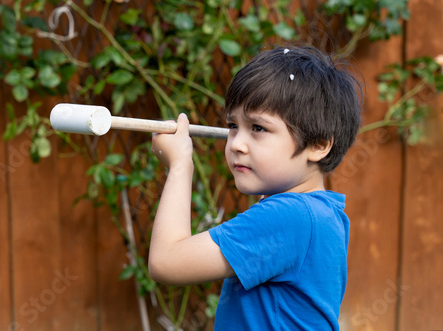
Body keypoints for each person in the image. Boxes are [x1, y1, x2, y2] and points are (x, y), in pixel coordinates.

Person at [148, 45, 362, 330]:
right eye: (232, 125)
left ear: (319, 144)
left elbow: (167, 262)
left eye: (258, 128)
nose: (236, 143)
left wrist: (179, 165)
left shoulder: (290, 216)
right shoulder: (322, 213)